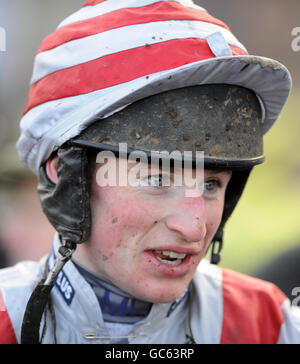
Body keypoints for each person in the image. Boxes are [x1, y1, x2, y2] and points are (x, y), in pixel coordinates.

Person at [1, 0, 300, 344]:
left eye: (211, 184)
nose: (194, 227)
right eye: (158, 180)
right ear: (64, 176)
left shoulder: (268, 325)